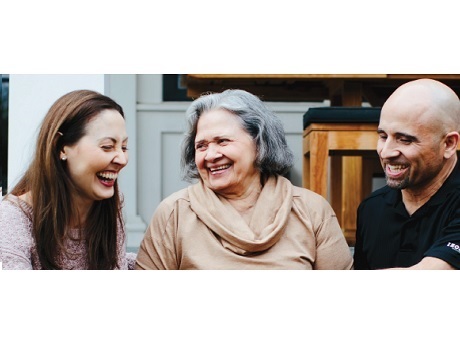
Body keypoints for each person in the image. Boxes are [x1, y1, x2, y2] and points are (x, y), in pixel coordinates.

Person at [136, 89, 353, 269]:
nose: (210, 155)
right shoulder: (173, 213)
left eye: (222, 141)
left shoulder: (312, 210)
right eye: (201, 146)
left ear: (259, 143)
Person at [0, 90, 136, 269]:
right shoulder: (13, 217)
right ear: (61, 148)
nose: (122, 159)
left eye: (124, 147)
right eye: (107, 146)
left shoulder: (108, 207)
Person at [354, 78, 460, 270]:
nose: (386, 152)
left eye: (405, 140)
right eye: (383, 136)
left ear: (449, 144)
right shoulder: (371, 209)